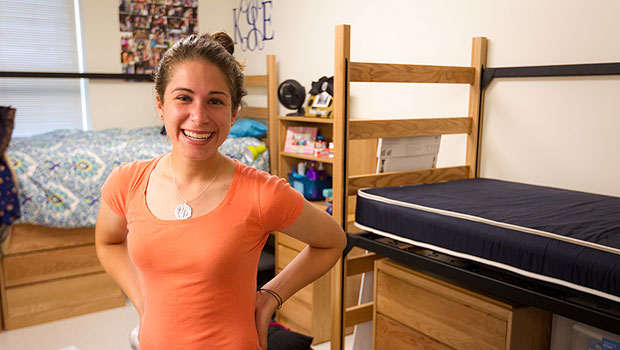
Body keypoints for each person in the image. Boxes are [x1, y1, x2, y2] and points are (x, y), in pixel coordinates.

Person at [96, 32, 346, 350]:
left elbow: (333, 241)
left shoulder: (262, 192)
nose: (199, 117)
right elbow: (108, 241)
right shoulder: (126, 182)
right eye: (184, 98)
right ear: (160, 105)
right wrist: (142, 297)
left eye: (215, 101)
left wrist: (271, 296)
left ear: (234, 113)